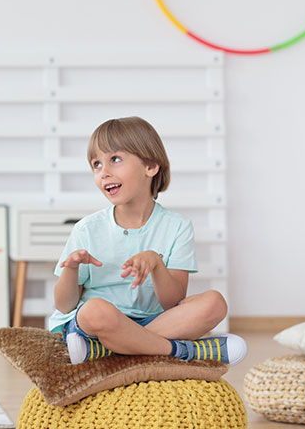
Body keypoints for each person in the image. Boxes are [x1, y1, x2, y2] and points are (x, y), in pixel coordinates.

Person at [49, 117, 247, 366]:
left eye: (115, 159)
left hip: (152, 321)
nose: (104, 172)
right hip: (96, 325)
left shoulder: (177, 226)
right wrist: (72, 268)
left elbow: (171, 301)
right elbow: (64, 305)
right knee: (94, 310)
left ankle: (108, 350)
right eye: (96, 164)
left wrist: (156, 264)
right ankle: (184, 351)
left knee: (215, 303)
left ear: (151, 167)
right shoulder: (87, 228)